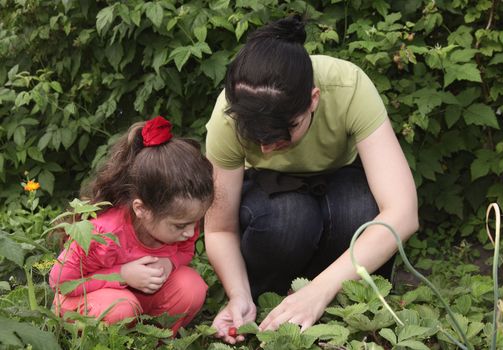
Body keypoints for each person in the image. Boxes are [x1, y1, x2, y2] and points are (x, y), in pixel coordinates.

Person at [204, 15, 419, 343]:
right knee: (290, 219)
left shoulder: (349, 87)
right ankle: (266, 304)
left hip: (338, 180)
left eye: (280, 134)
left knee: (361, 213)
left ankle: (339, 307)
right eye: (255, 135)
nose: (265, 146)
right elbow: (219, 228)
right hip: (268, 193)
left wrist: (320, 289)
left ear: (313, 100)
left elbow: (403, 213)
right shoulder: (228, 113)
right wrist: (238, 294)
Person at [49, 116, 214, 335]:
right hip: (85, 302)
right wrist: (122, 275)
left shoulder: (182, 225)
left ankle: (153, 340)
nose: (191, 232)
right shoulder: (102, 235)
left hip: (135, 303)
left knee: (190, 287)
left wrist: (170, 262)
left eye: (196, 222)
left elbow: (184, 251)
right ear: (142, 209)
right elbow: (60, 282)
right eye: (180, 225)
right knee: (121, 308)